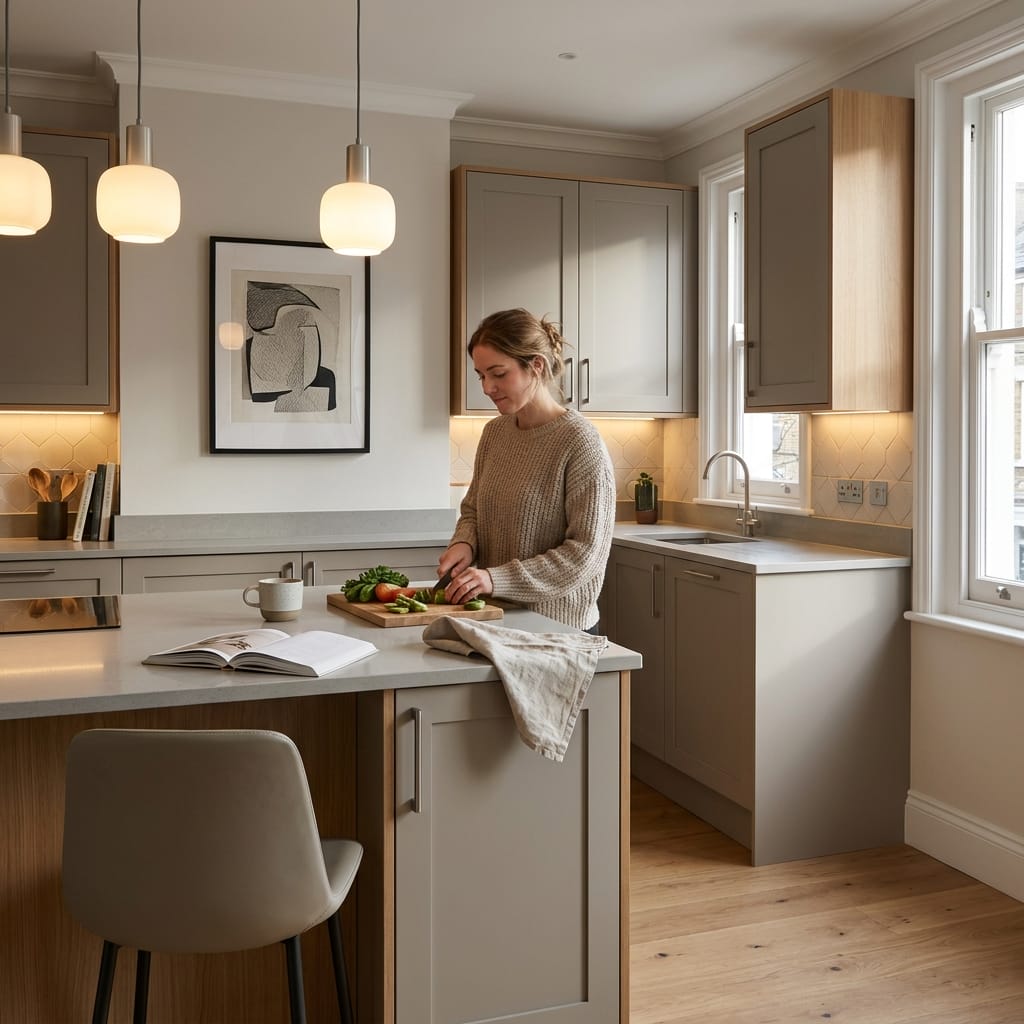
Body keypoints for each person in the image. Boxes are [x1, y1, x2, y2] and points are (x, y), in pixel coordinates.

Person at [438, 308, 616, 633]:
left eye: (498, 373)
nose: (487, 387)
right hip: (497, 619)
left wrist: (495, 578)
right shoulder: (495, 433)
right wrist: (464, 544)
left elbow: (584, 553)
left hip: (559, 630)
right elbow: (474, 511)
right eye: (481, 375)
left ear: (536, 365)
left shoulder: (579, 440)